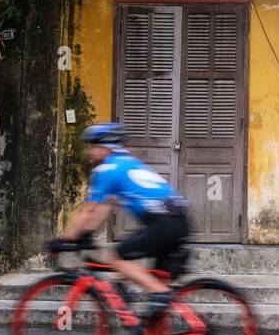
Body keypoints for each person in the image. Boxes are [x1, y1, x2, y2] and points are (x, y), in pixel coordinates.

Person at [46, 122, 190, 306]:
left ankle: (163, 294)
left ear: (104, 147)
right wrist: (86, 233)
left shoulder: (107, 169)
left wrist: (62, 240)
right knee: (157, 291)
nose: (89, 152)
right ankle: (153, 328)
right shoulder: (127, 162)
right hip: (177, 220)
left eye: (92, 146)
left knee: (117, 257)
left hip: (164, 223)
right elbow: (103, 208)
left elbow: (88, 211)